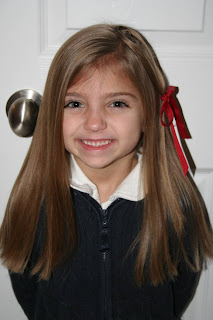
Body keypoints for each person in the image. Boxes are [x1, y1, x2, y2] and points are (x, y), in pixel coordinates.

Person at [0, 24, 212, 320]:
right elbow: (27, 288)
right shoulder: (36, 200)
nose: (94, 122)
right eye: (75, 103)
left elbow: (181, 287)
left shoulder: (174, 201)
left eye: (117, 103)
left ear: (149, 112)